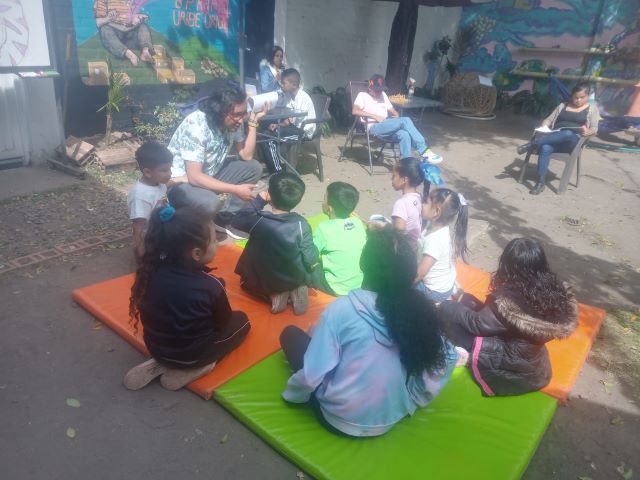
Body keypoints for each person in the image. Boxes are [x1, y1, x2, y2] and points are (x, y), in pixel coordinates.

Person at [279, 228, 458, 437]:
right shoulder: (420, 311)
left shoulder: (341, 309)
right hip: (391, 417)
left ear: (363, 264)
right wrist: (414, 398)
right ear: (410, 273)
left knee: (290, 334)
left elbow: (311, 377)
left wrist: (292, 396)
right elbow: (449, 355)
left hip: (336, 419)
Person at [125, 206, 251, 391]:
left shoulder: (148, 273)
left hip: (157, 347)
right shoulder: (211, 286)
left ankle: (162, 362)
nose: (217, 244)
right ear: (197, 253)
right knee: (242, 321)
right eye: (215, 241)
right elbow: (223, 322)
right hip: (192, 354)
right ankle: (197, 366)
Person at [438, 238, 578, 396]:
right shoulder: (555, 290)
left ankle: (469, 357)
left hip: (507, 358)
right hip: (531, 358)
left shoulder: (510, 301)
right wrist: (465, 298)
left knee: (449, 322)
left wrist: (446, 306)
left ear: (508, 266)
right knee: (466, 304)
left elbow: (477, 323)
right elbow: (496, 317)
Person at [167, 83, 269, 238]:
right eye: (237, 114)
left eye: (244, 114)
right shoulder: (197, 125)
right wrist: (234, 189)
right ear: (220, 112)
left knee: (254, 167)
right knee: (210, 202)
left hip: (208, 175)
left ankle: (224, 218)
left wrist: (253, 123)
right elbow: (194, 177)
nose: (241, 119)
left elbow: (246, 155)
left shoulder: (235, 122)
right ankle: (188, 225)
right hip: (181, 184)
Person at [231, 172, 320, 315]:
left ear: (269, 195)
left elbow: (237, 220)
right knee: (302, 262)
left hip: (263, 280)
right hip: (292, 277)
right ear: (298, 199)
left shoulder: (259, 221)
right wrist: (312, 275)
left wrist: (259, 201)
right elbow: (310, 254)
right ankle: (296, 288)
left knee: (246, 284)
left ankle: (273, 296)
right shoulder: (301, 224)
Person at [517, 82, 601, 195]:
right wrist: (545, 125)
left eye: (582, 97)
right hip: (554, 138)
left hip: (572, 142)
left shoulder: (592, 109)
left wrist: (589, 131)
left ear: (588, 96)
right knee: (545, 147)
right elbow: (548, 119)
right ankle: (541, 182)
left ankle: (532, 145)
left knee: (567, 133)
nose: (578, 100)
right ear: (572, 96)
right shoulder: (562, 106)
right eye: (576, 97)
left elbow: (595, 128)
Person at [353, 74, 443, 164]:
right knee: (406, 120)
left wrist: (396, 115)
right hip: (374, 126)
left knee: (404, 134)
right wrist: (375, 116)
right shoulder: (362, 96)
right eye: (377, 90)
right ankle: (424, 150)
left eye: (381, 90)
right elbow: (355, 111)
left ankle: (405, 164)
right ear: (370, 87)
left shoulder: (383, 95)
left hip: (387, 124)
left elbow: (393, 111)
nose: (379, 92)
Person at [313, 182, 367, 296]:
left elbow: (310, 255)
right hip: (360, 285)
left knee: (308, 267)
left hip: (336, 288)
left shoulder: (323, 228)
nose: (323, 201)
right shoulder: (358, 222)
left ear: (330, 208)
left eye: (324, 198)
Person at [416, 188, 469, 302]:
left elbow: (420, 273)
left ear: (436, 212)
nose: (422, 204)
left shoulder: (434, 241)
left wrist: (402, 285)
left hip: (434, 292)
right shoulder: (440, 228)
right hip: (446, 282)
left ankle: (441, 301)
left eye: (426, 202)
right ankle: (453, 291)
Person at [261, 68, 317, 174]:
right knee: (266, 133)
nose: (281, 85)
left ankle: (278, 172)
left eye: (284, 83)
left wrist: (279, 125)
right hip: (293, 128)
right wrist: (278, 124)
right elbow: (287, 117)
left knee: (269, 137)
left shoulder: (303, 97)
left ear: (294, 85)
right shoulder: (288, 95)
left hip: (303, 131)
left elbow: (292, 120)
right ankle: (276, 168)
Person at [94, 0, 154, 66]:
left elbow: (131, 16)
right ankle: (128, 54)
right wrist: (108, 18)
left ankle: (145, 52)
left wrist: (138, 17)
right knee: (105, 30)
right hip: (115, 35)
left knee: (143, 27)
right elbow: (98, 22)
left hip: (130, 34)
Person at [390, 157, 429, 251]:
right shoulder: (419, 197)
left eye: (394, 176)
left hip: (404, 251)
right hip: (415, 247)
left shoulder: (401, 203)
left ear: (404, 180)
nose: (391, 180)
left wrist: (384, 227)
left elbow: (399, 229)